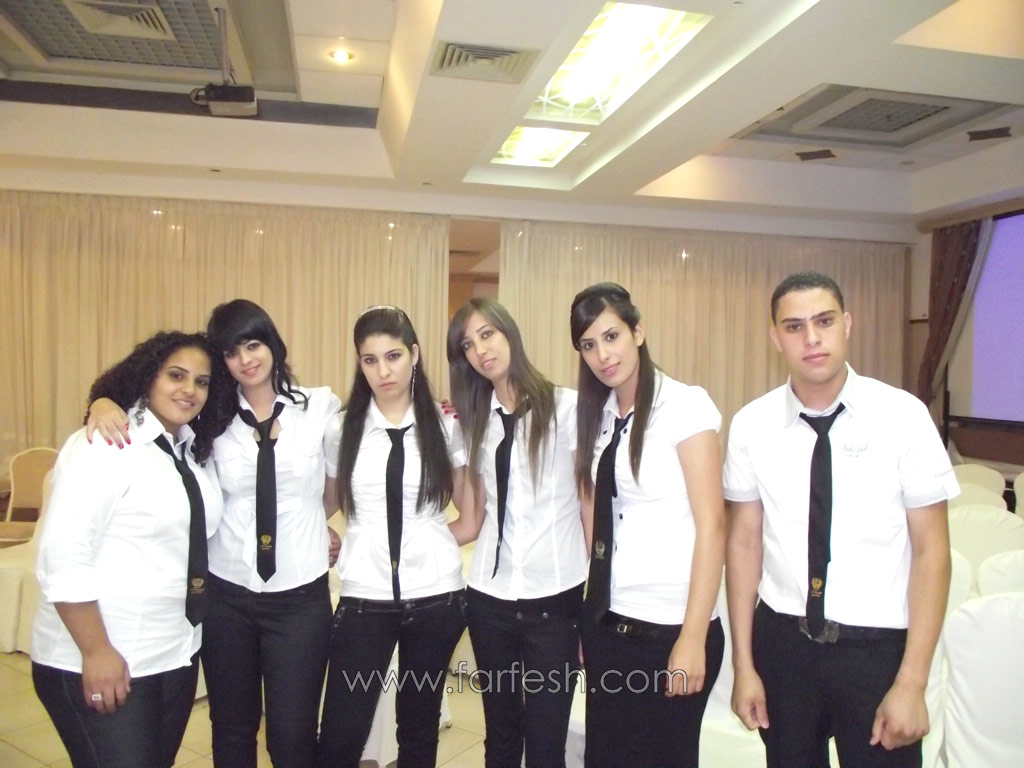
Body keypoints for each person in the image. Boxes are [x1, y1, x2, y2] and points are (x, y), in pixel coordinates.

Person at [87, 299, 341, 768]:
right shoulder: (211, 416)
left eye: (253, 344)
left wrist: (311, 525)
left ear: (272, 343)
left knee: (293, 734)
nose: (245, 359)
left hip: (300, 600)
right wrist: (102, 400)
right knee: (231, 727)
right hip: (227, 596)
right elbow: (143, 389)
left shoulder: (320, 407)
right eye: (231, 352)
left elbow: (333, 489)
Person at [723, 271, 957, 768]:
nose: (811, 338)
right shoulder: (752, 425)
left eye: (824, 321)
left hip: (876, 651)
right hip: (784, 647)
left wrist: (912, 681)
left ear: (847, 324)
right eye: (794, 326)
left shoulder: (903, 417)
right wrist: (744, 665)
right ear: (775, 337)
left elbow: (932, 552)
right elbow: (744, 544)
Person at [32, 330, 235, 768]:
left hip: (173, 652)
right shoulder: (107, 442)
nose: (189, 389)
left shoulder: (192, 453)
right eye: (176, 375)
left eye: (201, 381)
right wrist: (96, 651)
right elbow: (63, 555)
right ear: (147, 377)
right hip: (107, 654)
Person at [569, 282, 726, 768]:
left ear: (638, 332)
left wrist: (693, 638)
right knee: (605, 757)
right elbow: (597, 524)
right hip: (609, 623)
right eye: (588, 345)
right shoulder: (597, 415)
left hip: (670, 627)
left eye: (611, 336)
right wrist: (591, 614)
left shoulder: (684, 406)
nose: (602, 355)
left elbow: (714, 525)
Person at [318, 305, 471, 768]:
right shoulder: (341, 428)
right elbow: (324, 503)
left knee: (419, 729)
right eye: (370, 360)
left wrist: (429, 542)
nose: (383, 371)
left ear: (415, 354)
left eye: (394, 356)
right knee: (342, 731)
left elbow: (472, 515)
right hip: (365, 597)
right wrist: (320, 531)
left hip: (437, 597)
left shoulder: (445, 425)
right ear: (359, 363)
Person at [446, 298, 587, 768]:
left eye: (487, 334)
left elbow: (590, 510)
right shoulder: (474, 423)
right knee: (502, 738)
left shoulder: (567, 409)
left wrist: (595, 601)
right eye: (468, 345)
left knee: (547, 745)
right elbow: (472, 518)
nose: (480, 350)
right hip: (490, 600)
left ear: (510, 333)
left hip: (556, 600)